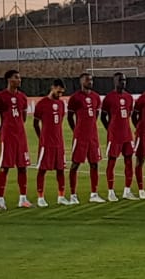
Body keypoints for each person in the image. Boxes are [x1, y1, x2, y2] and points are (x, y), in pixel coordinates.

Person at [0, 69, 32, 210]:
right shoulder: (0, 97)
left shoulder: (23, 97)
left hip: (20, 136)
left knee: (23, 167)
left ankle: (23, 198)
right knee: (5, 167)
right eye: (16, 77)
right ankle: (0, 199)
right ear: (9, 79)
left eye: (20, 78)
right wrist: (2, 131)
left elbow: (23, 117)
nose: (19, 80)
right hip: (7, 136)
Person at [67, 72, 103, 204]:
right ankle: (73, 195)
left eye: (91, 80)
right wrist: (76, 130)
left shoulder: (96, 97)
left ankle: (94, 194)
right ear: (81, 82)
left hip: (93, 137)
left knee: (94, 164)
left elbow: (96, 115)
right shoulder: (75, 98)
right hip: (80, 137)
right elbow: (70, 117)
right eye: (88, 80)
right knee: (75, 165)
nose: (90, 82)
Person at [33, 78, 69, 206]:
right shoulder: (42, 103)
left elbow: (59, 122)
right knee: (42, 170)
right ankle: (40, 198)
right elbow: (35, 123)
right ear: (53, 87)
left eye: (62, 93)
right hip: (46, 143)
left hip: (59, 143)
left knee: (60, 170)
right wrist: (41, 138)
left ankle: (61, 197)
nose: (60, 94)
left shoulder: (61, 104)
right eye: (58, 91)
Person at [101, 71, 136, 201]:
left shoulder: (129, 97)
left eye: (125, 80)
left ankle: (127, 191)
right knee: (112, 162)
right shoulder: (109, 98)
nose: (123, 82)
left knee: (129, 161)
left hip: (127, 134)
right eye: (121, 80)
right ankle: (111, 192)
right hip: (114, 136)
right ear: (115, 81)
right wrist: (110, 129)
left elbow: (129, 114)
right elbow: (103, 117)